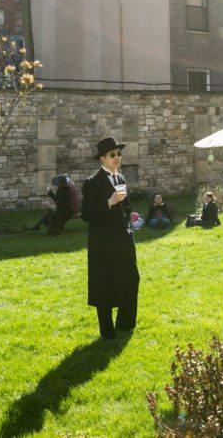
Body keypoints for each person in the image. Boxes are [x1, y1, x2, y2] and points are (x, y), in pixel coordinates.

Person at [81, 136, 139, 340]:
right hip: (103, 242)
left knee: (132, 278)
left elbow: (126, 206)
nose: (117, 158)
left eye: (119, 154)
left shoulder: (121, 178)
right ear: (102, 159)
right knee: (105, 283)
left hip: (124, 237)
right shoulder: (92, 183)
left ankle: (125, 323)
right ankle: (107, 332)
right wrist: (109, 202)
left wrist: (130, 216)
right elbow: (86, 214)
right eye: (112, 155)